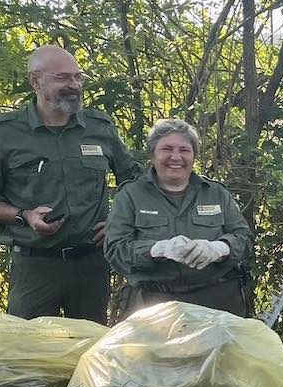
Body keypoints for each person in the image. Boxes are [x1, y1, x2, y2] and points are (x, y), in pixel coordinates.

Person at [0, 45, 141, 323]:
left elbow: (133, 178)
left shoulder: (99, 127)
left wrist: (120, 221)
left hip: (91, 264)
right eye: (63, 78)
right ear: (35, 81)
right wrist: (24, 216)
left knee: (88, 352)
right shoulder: (4, 133)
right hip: (34, 267)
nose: (74, 85)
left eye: (77, 77)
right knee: (26, 354)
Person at [104, 119, 253, 316]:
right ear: (152, 155)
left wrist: (219, 248)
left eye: (184, 150)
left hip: (218, 303)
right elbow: (115, 249)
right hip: (153, 304)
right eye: (167, 149)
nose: (176, 157)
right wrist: (157, 250)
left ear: (194, 156)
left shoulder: (216, 193)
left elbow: (244, 238)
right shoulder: (131, 196)